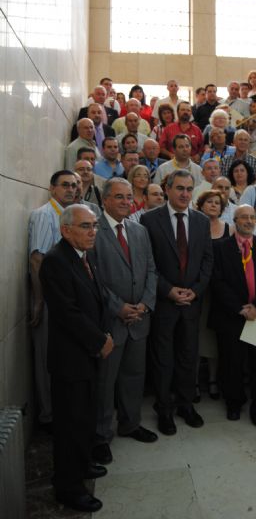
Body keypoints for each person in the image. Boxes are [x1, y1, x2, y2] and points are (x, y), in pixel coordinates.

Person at [39, 205, 114, 513]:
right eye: (85, 226)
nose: (92, 231)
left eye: (94, 225)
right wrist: (99, 340)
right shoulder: (55, 261)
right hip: (71, 359)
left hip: (88, 355)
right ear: (66, 229)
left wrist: (102, 336)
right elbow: (66, 312)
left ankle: (83, 466)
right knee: (69, 426)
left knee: (84, 419)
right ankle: (69, 488)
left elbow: (95, 301)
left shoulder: (84, 256)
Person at [141, 170, 213, 435]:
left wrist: (195, 291)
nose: (185, 194)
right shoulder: (149, 220)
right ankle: (164, 408)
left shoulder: (202, 221)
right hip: (164, 302)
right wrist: (169, 291)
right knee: (163, 359)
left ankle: (185, 404)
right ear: (168, 189)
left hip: (192, 303)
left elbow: (207, 261)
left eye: (188, 189)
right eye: (180, 188)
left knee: (188, 357)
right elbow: (147, 264)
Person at [92, 179, 158, 466]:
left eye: (129, 197)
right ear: (105, 200)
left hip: (139, 320)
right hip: (111, 321)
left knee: (134, 377)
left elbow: (152, 270)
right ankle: (101, 436)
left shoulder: (139, 230)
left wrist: (144, 303)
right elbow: (92, 278)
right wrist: (119, 308)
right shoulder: (93, 231)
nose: (125, 202)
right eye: (119, 197)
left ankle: (130, 424)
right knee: (105, 382)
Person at [209, 205, 256, 429]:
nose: (248, 221)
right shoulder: (220, 247)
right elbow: (217, 282)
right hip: (232, 315)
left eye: (251, 217)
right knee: (232, 364)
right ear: (235, 220)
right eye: (243, 217)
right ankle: (234, 404)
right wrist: (241, 308)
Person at [28, 170, 78, 428]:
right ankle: (48, 416)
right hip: (48, 299)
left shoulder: (72, 216)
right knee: (47, 357)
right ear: (52, 189)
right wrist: (38, 300)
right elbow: (37, 260)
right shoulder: (43, 215)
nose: (71, 189)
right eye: (65, 185)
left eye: (75, 185)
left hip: (69, 300)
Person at [195, 190, 232, 401]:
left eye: (217, 203)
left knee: (213, 339)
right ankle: (194, 382)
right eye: (209, 202)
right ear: (200, 205)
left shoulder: (230, 229)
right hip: (199, 290)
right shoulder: (194, 227)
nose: (213, 205)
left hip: (221, 293)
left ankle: (212, 380)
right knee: (196, 337)